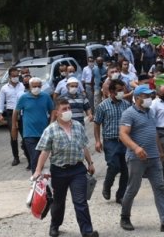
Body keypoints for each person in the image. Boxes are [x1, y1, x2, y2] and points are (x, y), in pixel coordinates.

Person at [118, 85, 164, 233]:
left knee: (160, 187)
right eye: (145, 96)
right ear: (136, 98)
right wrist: (136, 148)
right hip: (136, 158)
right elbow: (123, 134)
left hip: (154, 157)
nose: (149, 98)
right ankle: (125, 216)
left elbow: (153, 132)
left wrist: (160, 150)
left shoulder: (150, 112)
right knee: (133, 188)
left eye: (150, 95)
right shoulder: (129, 114)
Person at [32, 97, 98, 237]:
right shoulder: (50, 130)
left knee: (80, 201)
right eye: (64, 109)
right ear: (56, 113)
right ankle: (54, 226)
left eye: (69, 108)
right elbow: (45, 151)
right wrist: (38, 170)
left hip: (78, 170)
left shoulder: (78, 126)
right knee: (58, 202)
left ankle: (87, 232)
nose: (68, 111)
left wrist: (90, 163)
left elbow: (84, 146)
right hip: (59, 171)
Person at [94, 79, 131, 204]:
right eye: (119, 90)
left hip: (125, 141)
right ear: (111, 91)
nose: (121, 92)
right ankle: (107, 185)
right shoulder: (103, 106)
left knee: (126, 170)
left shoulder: (126, 105)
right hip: (111, 141)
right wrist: (98, 141)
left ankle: (121, 195)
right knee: (114, 166)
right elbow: (97, 123)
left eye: (123, 90)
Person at [12, 77, 55, 173]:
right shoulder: (24, 98)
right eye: (34, 86)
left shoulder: (45, 96)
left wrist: (51, 122)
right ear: (30, 87)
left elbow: (52, 110)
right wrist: (14, 125)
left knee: (41, 158)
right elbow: (16, 111)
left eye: (39, 86)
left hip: (43, 133)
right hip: (29, 133)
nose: (36, 88)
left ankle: (41, 181)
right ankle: (35, 179)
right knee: (35, 157)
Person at [0, 67, 28, 166]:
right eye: (13, 76)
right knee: (13, 136)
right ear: (10, 76)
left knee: (25, 135)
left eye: (17, 76)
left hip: (22, 112)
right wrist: (0, 114)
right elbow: (1, 102)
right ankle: (16, 157)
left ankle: (28, 154)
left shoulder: (22, 86)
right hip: (11, 113)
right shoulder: (4, 88)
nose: (15, 78)